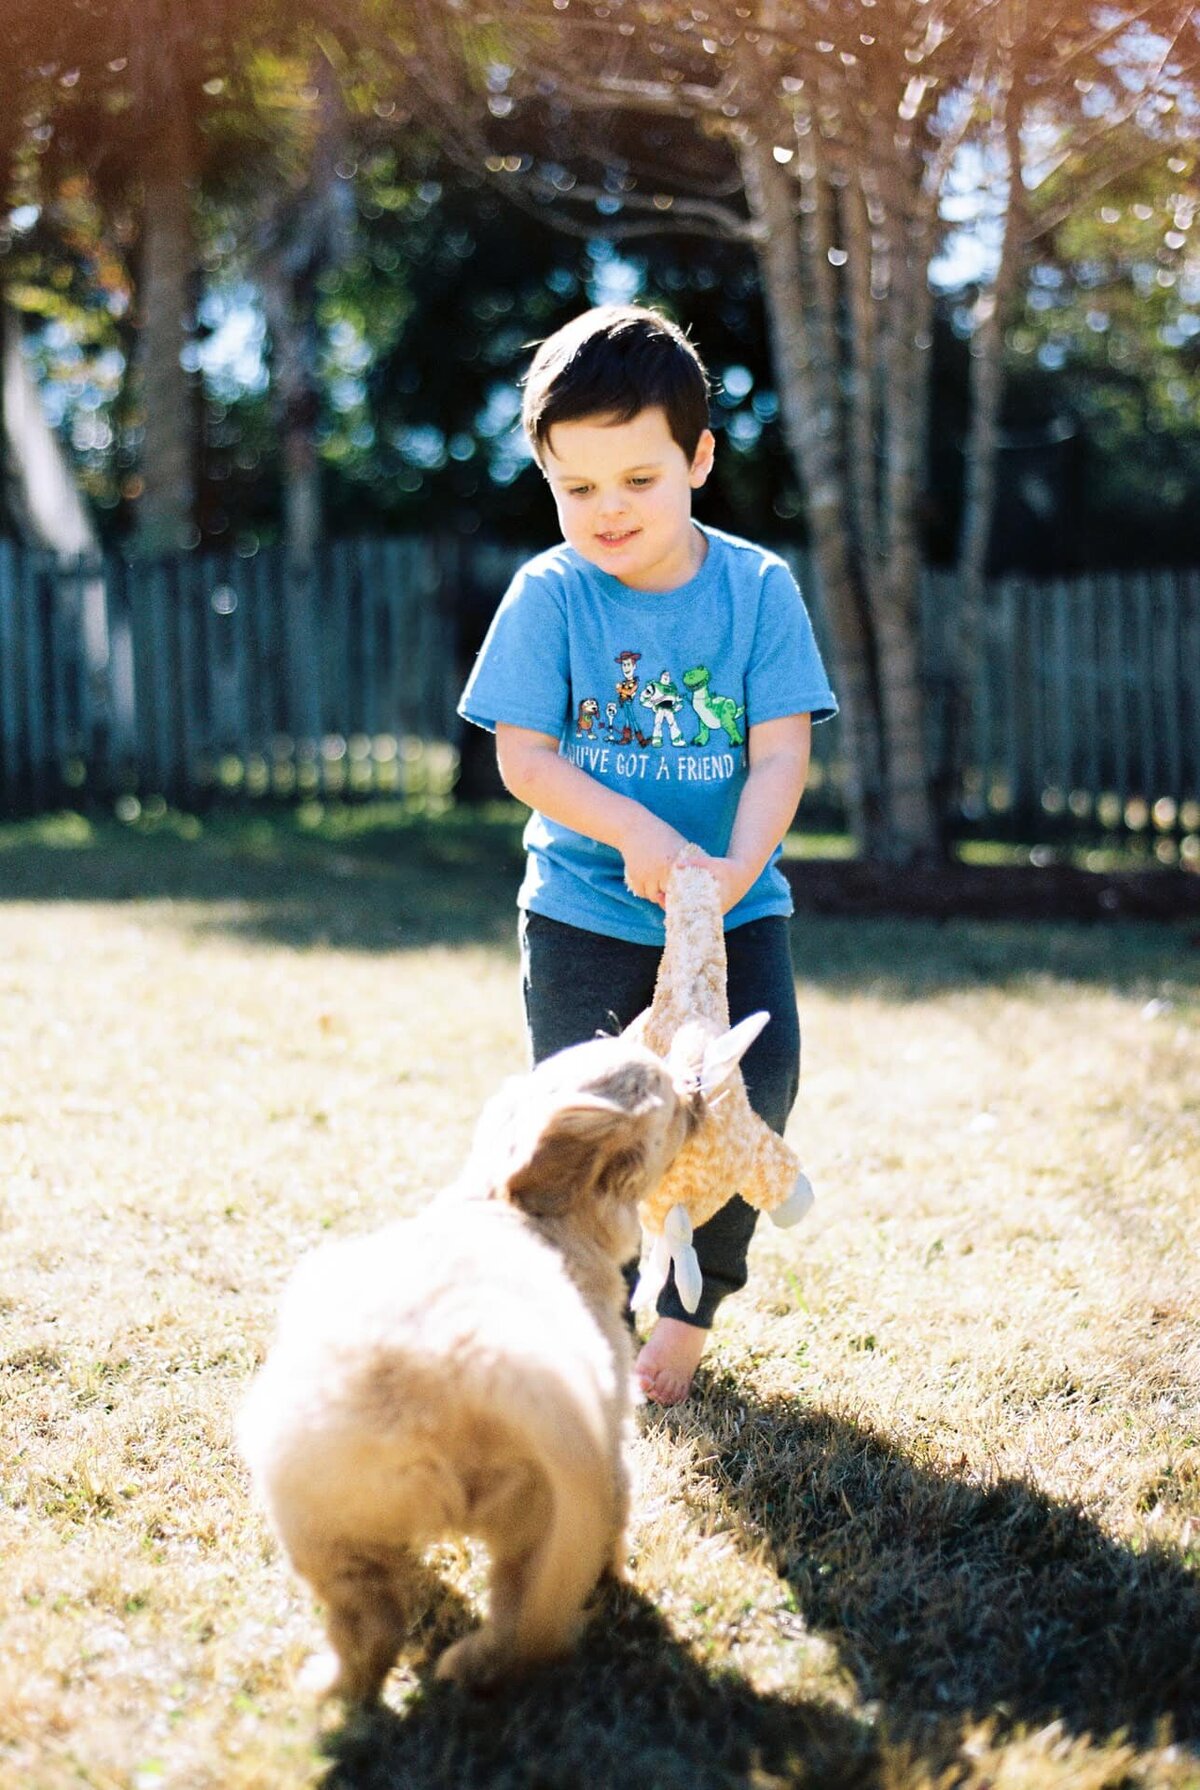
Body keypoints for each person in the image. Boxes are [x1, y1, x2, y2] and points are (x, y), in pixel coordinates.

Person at [458, 304, 837, 1405]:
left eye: (638, 479)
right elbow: (525, 757)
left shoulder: (758, 588)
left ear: (699, 459)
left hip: (736, 905)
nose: (607, 510)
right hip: (582, 906)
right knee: (585, 1127)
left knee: (751, 1088)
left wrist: (724, 871)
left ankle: (692, 1305)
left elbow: (779, 756)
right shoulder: (551, 594)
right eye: (578, 488)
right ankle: (587, 1310)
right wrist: (638, 830)